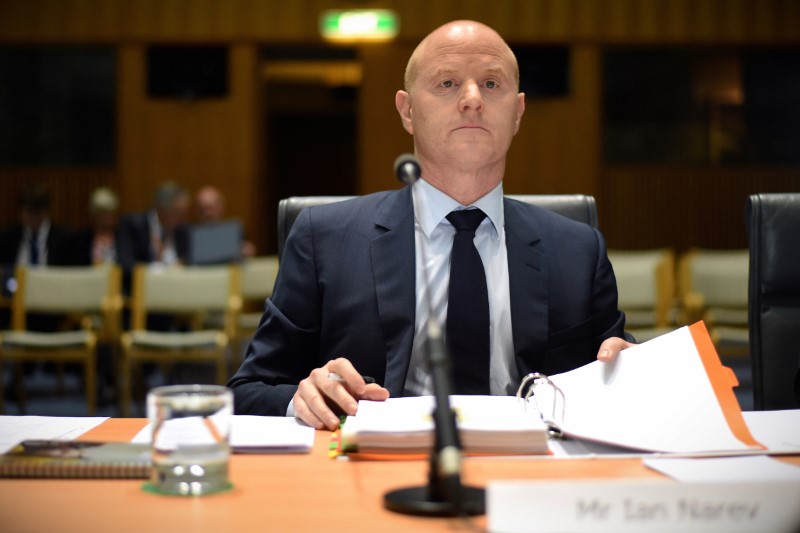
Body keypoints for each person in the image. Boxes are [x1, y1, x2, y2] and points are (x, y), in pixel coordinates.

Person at [229, 20, 633, 429]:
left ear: (518, 112)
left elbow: (619, 368)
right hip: (375, 471)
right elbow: (249, 389)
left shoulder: (578, 249)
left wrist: (630, 373)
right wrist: (304, 398)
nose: (472, 99)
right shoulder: (325, 238)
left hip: (530, 471)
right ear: (407, 111)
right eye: (447, 84)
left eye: (492, 84)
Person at [116, 180, 190, 276]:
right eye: (178, 213)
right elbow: (126, 265)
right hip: (144, 287)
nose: (182, 218)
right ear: (161, 209)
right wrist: (156, 269)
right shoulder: (133, 226)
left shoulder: (183, 230)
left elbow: (189, 261)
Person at [194, 185, 256, 259]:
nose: (208, 213)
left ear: (221, 207)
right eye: (203, 209)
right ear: (196, 211)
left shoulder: (235, 231)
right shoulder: (189, 237)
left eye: (211, 208)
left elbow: (247, 251)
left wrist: (247, 251)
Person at [74, 187, 120, 265]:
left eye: (111, 212)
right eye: (104, 212)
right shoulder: (82, 239)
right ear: (94, 214)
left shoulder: (122, 237)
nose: (108, 216)